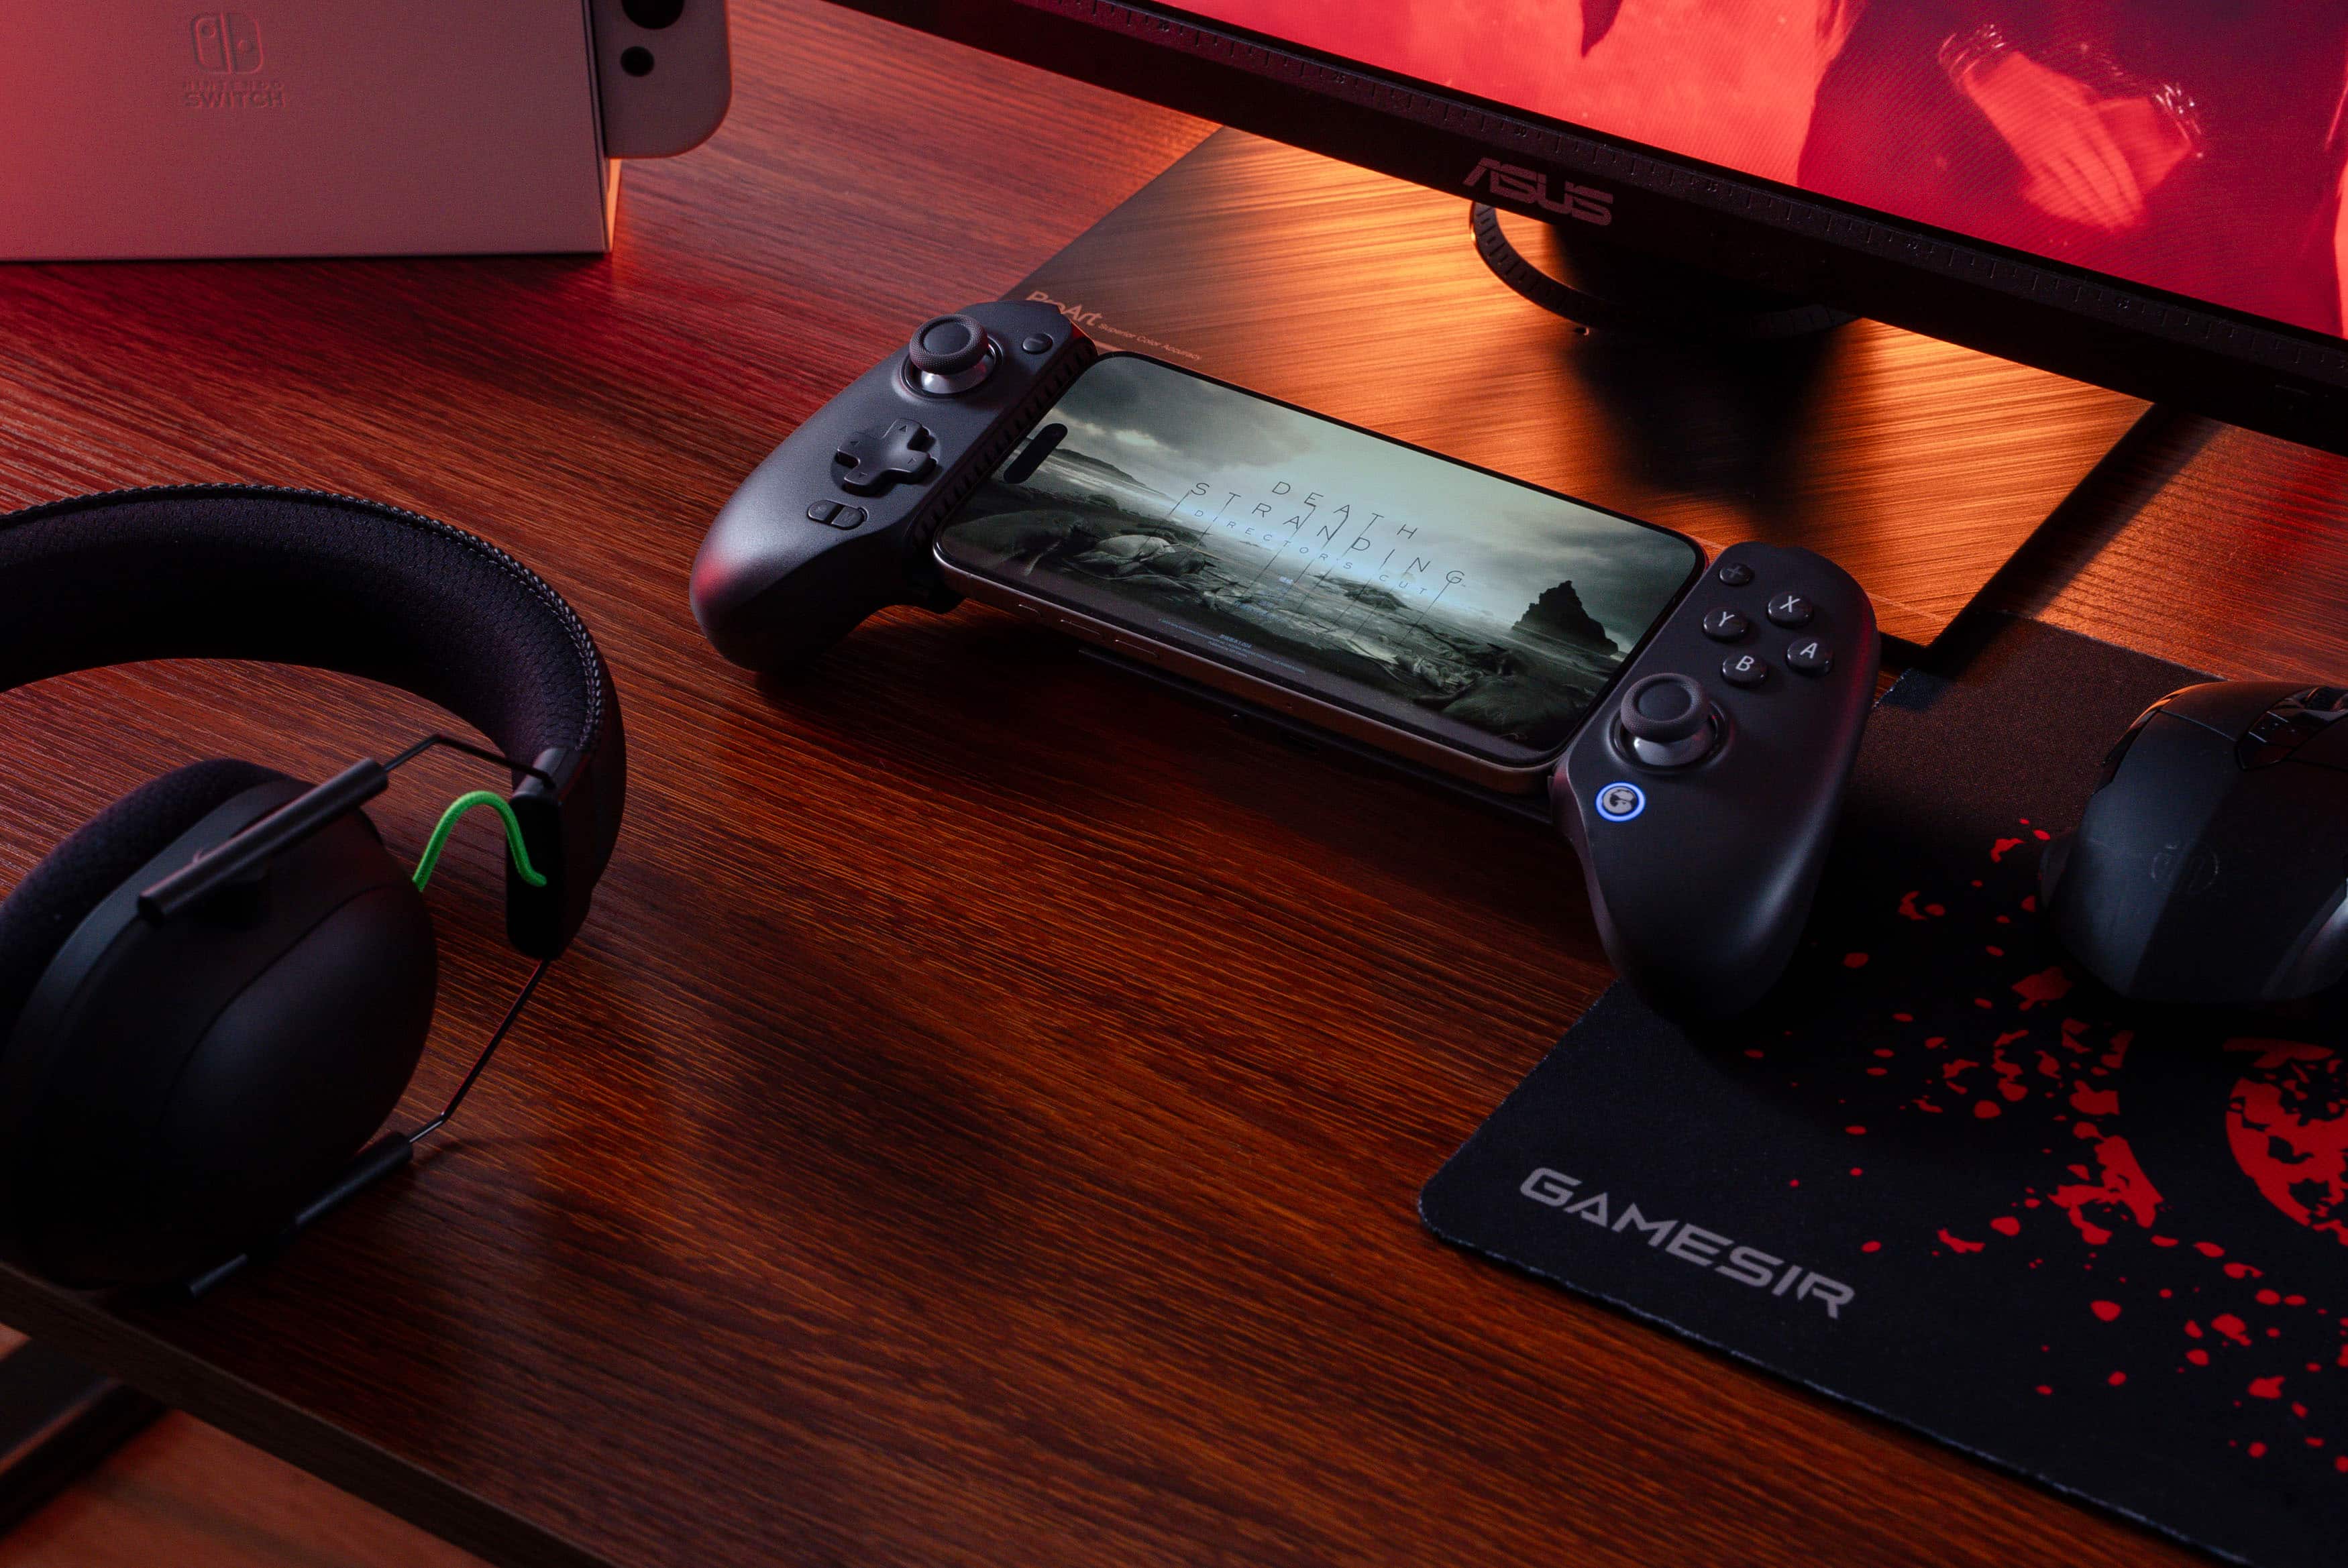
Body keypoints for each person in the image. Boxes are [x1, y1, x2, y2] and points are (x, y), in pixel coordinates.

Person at [1799, 1, 2348, 337]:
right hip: (1930, 177)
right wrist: (1981, 64)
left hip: (2208, 232)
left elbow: (2302, 98)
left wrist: (2179, 125)